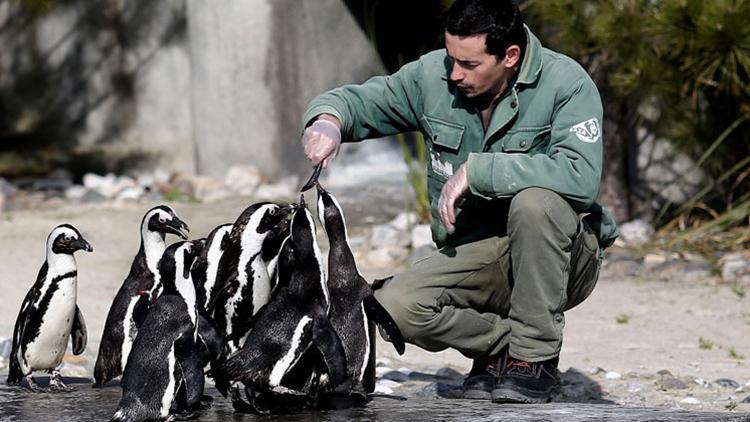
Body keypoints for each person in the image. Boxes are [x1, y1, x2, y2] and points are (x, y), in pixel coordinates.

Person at [300, 0, 618, 404]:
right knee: (392, 306)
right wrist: (328, 121)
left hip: (563, 257)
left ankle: (534, 358)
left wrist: (480, 171)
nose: (455, 73)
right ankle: (500, 347)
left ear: (510, 56)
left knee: (535, 204)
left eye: (468, 64)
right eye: (451, 59)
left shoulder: (567, 83)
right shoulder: (433, 77)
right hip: (478, 256)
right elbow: (361, 101)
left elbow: (580, 177)